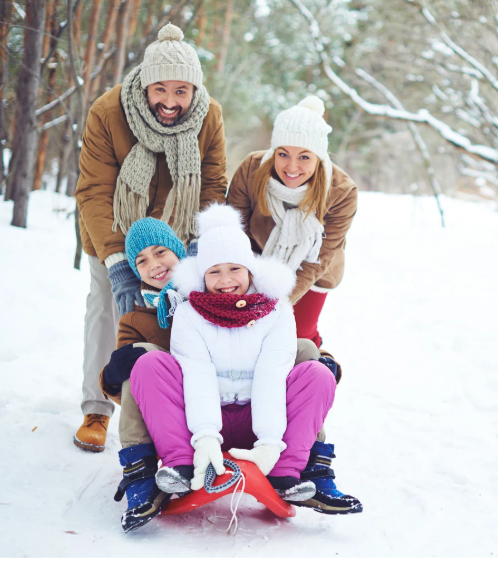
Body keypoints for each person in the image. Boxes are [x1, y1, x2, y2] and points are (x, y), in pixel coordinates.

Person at [98, 216, 332, 532]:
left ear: (180, 254)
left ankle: (309, 465)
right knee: (145, 358)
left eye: (160, 252)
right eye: (141, 261)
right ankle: (142, 473)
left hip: (250, 404)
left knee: (306, 351)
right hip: (179, 414)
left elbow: (281, 359)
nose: (154, 264)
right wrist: (112, 376)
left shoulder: (252, 297)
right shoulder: (136, 318)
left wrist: (324, 364)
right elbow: (134, 391)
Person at [74, 22, 227, 453]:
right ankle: (97, 408)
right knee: (108, 305)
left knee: (180, 317)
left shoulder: (208, 115)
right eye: (161, 90)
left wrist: (197, 246)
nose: (170, 101)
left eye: (182, 92)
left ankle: (172, 412)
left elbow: (213, 183)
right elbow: (94, 190)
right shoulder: (109, 111)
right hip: (115, 230)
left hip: (177, 234)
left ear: (195, 90)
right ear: (145, 84)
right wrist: (119, 263)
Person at [226, 95, 361, 515]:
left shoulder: (340, 190)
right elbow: (232, 234)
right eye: (283, 153)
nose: (292, 166)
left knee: (299, 346)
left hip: (310, 275)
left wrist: (276, 301)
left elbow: (318, 258)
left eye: (304, 157)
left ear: (319, 158)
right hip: (252, 263)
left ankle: (314, 461)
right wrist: (244, 292)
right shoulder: (252, 169)